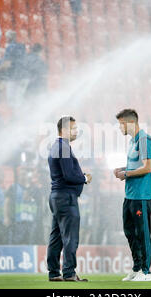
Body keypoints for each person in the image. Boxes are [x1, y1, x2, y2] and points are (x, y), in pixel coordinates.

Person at [47, 116, 92, 282]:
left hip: (57, 197)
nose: (76, 131)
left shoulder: (56, 146)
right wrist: (84, 178)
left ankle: (53, 272)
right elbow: (69, 175)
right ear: (63, 130)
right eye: (73, 128)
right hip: (66, 197)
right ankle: (69, 272)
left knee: (56, 236)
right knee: (70, 237)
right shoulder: (63, 147)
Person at [113, 109, 151, 282]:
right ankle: (137, 267)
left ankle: (146, 272)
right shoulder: (133, 142)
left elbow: (148, 168)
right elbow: (136, 165)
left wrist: (127, 175)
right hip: (130, 195)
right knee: (130, 231)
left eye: (121, 124)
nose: (119, 128)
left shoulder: (144, 140)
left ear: (130, 123)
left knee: (142, 232)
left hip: (142, 195)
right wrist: (123, 169)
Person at [0, 30, 28, 105]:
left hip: (14, 77)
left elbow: (7, 63)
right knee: (20, 98)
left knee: (11, 98)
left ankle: (15, 115)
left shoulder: (9, 47)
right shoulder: (21, 46)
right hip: (24, 75)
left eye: (7, 37)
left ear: (8, 38)